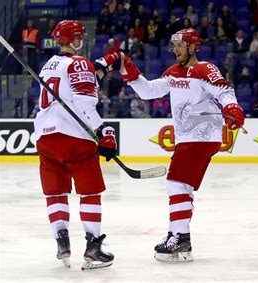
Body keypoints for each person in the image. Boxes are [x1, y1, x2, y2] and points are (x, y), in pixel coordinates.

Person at [96, 28, 244, 262]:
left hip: (201, 136)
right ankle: (178, 234)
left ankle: (181, 238)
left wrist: (233, 107)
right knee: (181, 188)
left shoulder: (205, 69)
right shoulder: (174, 72)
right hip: (189, 138)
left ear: (194, 46)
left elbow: (224, 90)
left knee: (175, 184)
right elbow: (149, 91)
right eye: (174, 45)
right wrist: (130, 72)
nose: (175, 49)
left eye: (180, 45)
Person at [34, 20, 117, 269]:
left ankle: (62, 243)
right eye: (80, 35)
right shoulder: (79, 62)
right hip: (74, 138)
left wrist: (101, 66)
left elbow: (77, 83)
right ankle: (93, 248)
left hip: (45, 137)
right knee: (90, 192)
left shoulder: (48, 65)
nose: (83, 39)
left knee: (56, 192)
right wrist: (103, 131)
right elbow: (84, 105)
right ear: (74, 39)